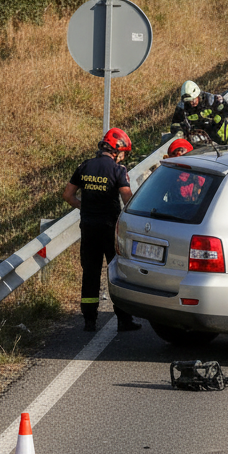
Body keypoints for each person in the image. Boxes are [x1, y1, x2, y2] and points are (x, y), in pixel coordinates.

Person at [63, 128, 140, 333]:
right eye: (123, 153)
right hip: (110, 229)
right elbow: (127, 197)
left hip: (88, 227)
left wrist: (85, 207)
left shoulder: (84, 166)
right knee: (117, 273)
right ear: (116, 150)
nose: (123, 157)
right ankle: (123, 320)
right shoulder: (118, 170)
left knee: (90, 273)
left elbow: (68, 195)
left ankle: (89, 321)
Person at [170, 80, 228, 145]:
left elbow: (227, 112)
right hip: (198, 139)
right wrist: (179, 132)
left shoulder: (212, 100)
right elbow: (175, 123)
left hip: (218, 132)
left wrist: (218, 118)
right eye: (189, 101)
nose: (191, 102)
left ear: (198, 94)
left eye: (193, 99)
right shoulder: (182, 106)